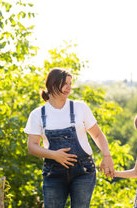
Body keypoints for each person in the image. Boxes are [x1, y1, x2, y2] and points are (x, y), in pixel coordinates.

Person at [24, 67, 114, 208]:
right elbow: (32, 146)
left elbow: (97, 134)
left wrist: (107, 155)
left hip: (83, 171)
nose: (69, 87)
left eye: (70, 84)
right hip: (54, 173)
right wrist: (54, 155)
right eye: (65, 83)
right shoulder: (38, 114)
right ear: (52, 84)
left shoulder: (80, 107)